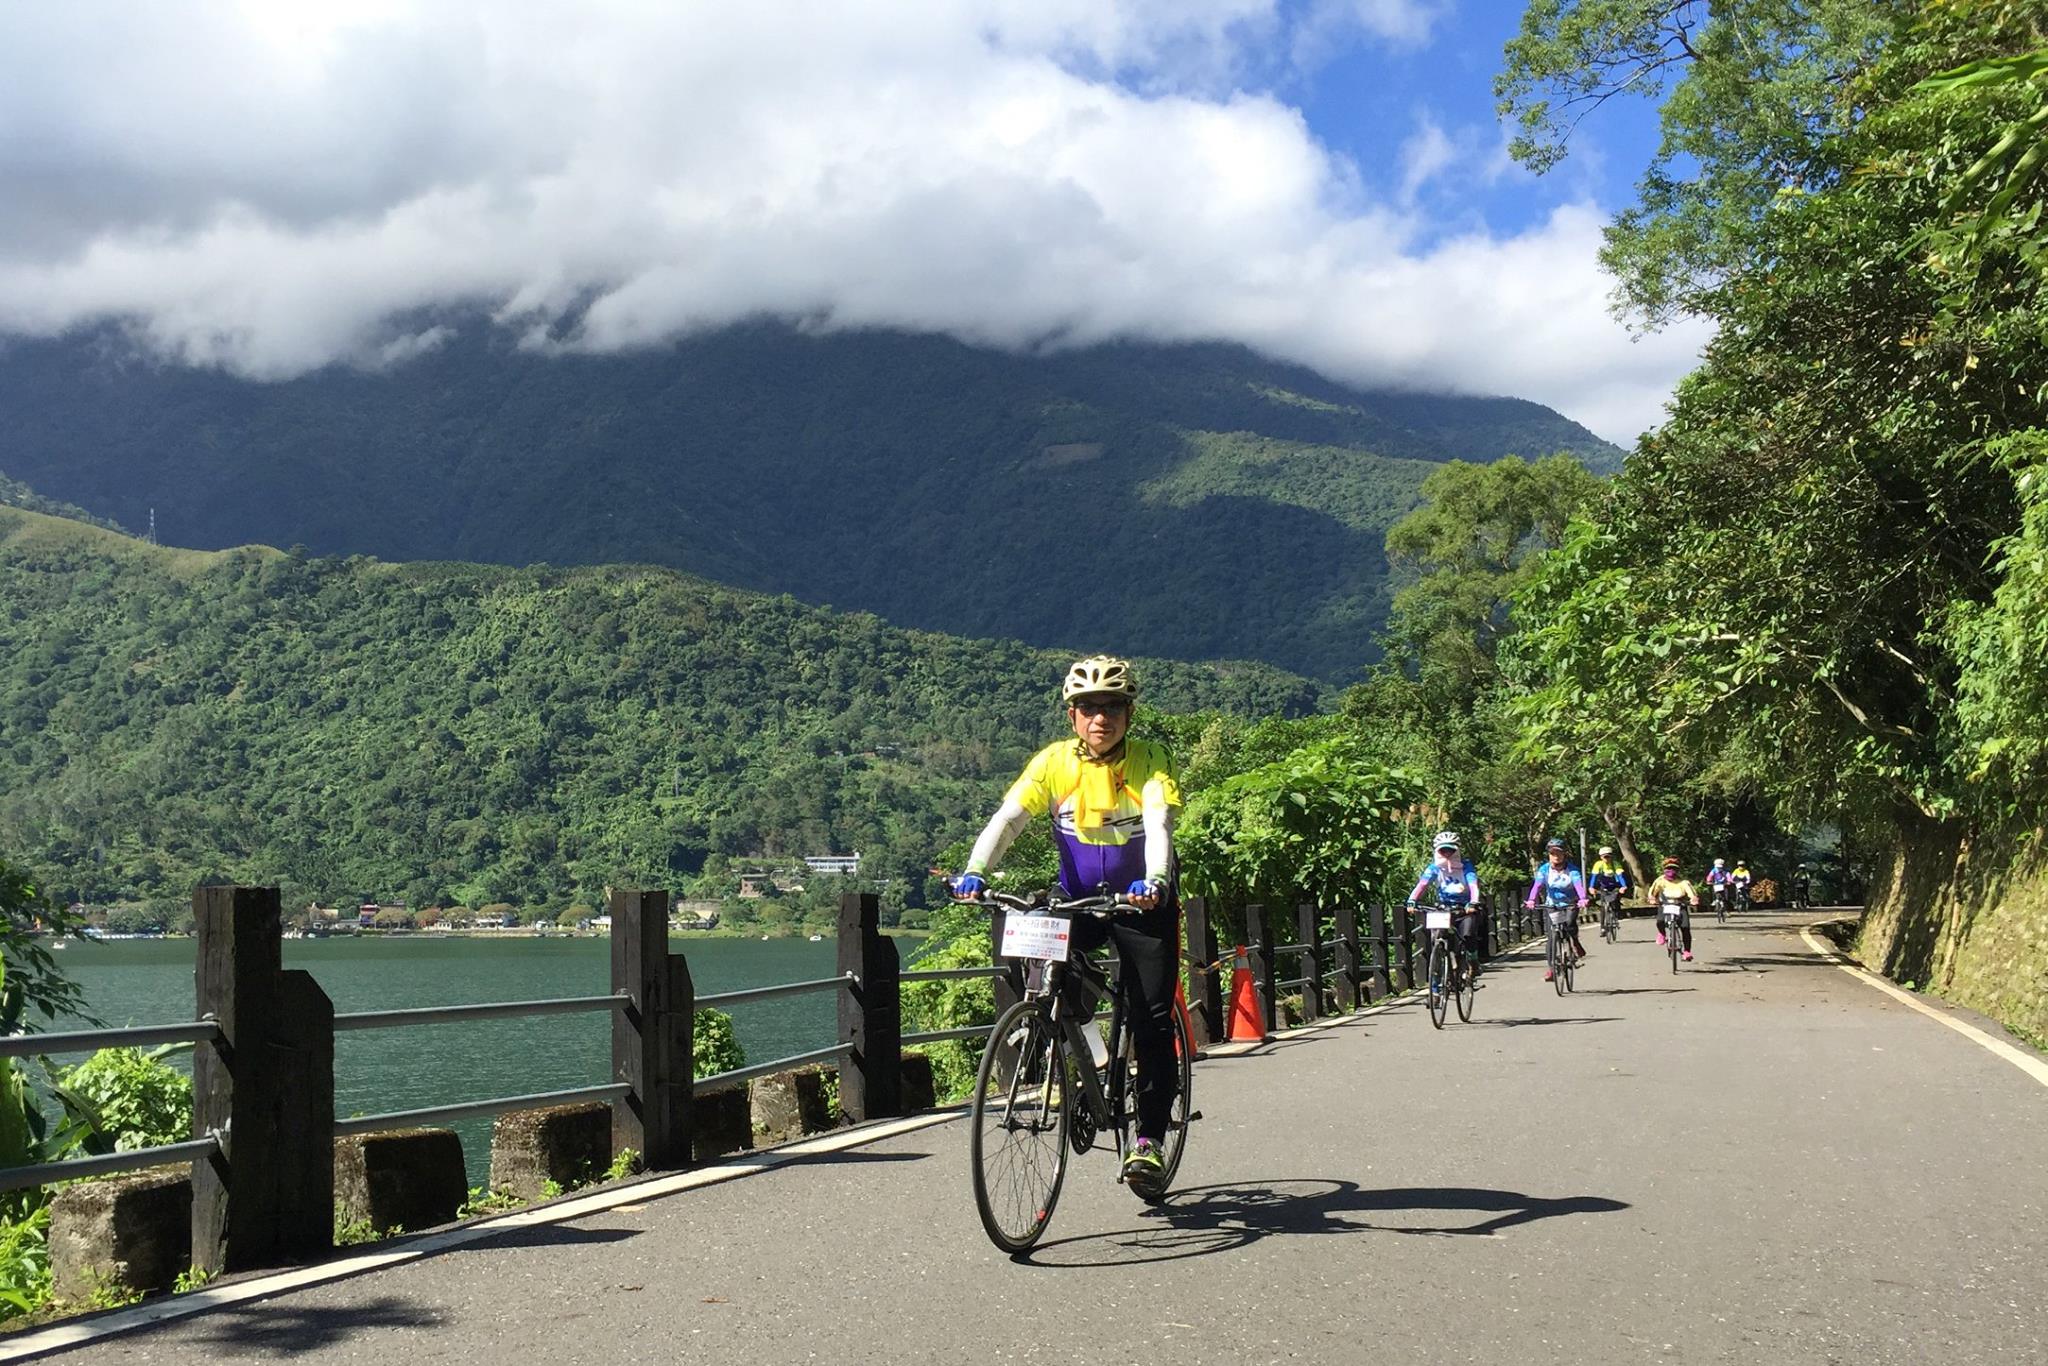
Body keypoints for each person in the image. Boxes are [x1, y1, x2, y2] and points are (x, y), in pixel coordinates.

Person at [950, 654, 1182, 1197]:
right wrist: (975, 870)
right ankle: (1085, 1049)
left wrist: (1154, 879)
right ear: (1072, 716)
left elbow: (1158, 818)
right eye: (1087, 708)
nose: (1100, 718)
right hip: (1077, 899)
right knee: (1030, 944)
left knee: (1151, 1018)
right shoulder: (1054, 763)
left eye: (1112, 707)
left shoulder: (1149, 759)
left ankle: (1148, 1138)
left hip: (1140, 903)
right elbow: (1009, 818)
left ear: (1128, 713)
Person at [1407, 831, 1482, 981]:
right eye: (1443, 850)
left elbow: (1473, 885)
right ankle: (1435, 988)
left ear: (1457, 850)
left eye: (1450, 850)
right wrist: (1412, 900)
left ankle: (1472, 961)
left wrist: (1473, 902)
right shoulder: (1434, 867)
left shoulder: (1465, 866)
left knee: (1467, 935)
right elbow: (1423, 884)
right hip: (1442, 907)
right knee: (1436, 941)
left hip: (1464, 907)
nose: (1447, 853)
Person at [1524, 837, 1588, 982]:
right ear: (1549, 854)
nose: (1556, 856)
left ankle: (1574, 942)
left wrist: (1583, 898)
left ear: (1564, 854)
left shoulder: (1572, 870)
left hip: (1570, 903)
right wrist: (1531, 900)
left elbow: (1578, 885)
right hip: (1552, 904)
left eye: (1559, 853)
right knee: (1552, 937)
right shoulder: (1544, 869)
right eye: (1553, 853)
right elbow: (1537, 885)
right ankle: (1552, 969)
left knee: (1570, 924)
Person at [1646, 857, 1697, 960]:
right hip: (1665, 905)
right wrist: (1652, 898)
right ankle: (1662, 933)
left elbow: (1691, 893)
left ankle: (1687, 951)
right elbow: (1652, 892)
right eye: (1668, 869)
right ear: (1664, 870)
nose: (1671, 871)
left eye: (1674, 869)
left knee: (1685, 928)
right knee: (1660, 921)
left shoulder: (1683, 882)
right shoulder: (1660, 881)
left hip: (1680, 905)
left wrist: (1693, 899)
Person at [1588, 845, 1629, 932]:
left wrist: (1623, 886)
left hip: (1615, 886)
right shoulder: (1598, 864)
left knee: (1616, 898)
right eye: (1604, 856)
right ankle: (1603, 927)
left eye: (1608, 856)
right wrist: (1591, 887)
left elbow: (1620, 876)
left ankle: (1617, 913)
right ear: (1601, 857)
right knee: (1603, 906)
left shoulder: (1615, 864)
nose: (1606, 858)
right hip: (1603, 886)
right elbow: (1594, 877)